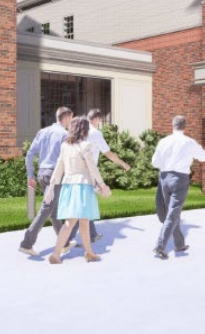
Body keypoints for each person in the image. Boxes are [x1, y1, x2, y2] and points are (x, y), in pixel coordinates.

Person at [48, 116, 111, 264]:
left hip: (68, 187)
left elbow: (59, 167)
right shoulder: (86, 145)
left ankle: (89, 253)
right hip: (82, 187)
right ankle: (56, 255)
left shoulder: (65, 146)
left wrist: (51, 186)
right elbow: (92, 168)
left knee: (83, 222)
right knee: (72, 223)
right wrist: (103, 185)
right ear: (84, 129)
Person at [150, 115, 205, 260]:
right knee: (173, 213)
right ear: (185, 126)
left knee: (172, 213)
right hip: (180, 179)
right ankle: (160, 246)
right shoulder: (189, 142)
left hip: (164, 178)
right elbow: (204, 157)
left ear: (172, 125)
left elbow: (154, 162)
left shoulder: (163, 141)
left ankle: (179, 244)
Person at [17, 107, 72, 256]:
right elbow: (66, 159)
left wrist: (30, 175)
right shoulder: (64, 134)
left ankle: (65, 243)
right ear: (66, 118)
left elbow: (29, 154)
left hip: (42, 174)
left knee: (53, 211)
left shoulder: (42, 132)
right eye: (70, 119)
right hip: (55, 176)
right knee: (46, 209)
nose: (71, 122)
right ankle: (26, 244)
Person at [72, 108, 131, 247]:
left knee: (83, 203)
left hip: (75, 171)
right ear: (97, 119)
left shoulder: (78, 131)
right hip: (88, 173)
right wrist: (123, 164)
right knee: (82, 205)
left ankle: (91, 234)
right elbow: (108, 153)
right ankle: (68, 238)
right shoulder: (95, 133)